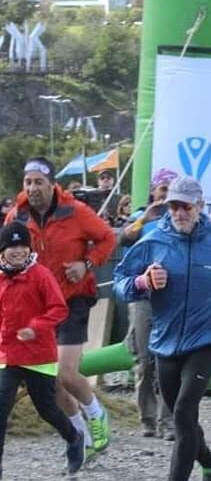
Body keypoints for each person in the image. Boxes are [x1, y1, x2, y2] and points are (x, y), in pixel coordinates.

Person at [114, 176, 211, 481]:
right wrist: (142, 282)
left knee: (185, 411)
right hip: (165, 342)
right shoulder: (153, 240)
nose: (179, 212)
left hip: (206, 339)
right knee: (183, 418)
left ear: (200, 206)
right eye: (174, 205)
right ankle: (208, 460)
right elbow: (121, 283)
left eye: (186, 205)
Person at [6, 157, 115, 456]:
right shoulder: (17, 217)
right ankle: (80, 435)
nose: (32, 188)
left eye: (38, 181)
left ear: (52, 183)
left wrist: (87, 263)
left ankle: (97, 415)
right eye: (28, 182)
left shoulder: (76, 212)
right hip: (38, 307)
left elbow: (107, 238)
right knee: (51, 384)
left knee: (66, 373)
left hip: (72, 298)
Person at [0, 222, 85, 480]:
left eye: (22, 245)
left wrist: (35, 328)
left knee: (46, 408)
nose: (17, 251)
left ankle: (73, 436)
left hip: (38, 354)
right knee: (1, 407)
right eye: (11, 246)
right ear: (2, 251)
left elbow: (59, 309)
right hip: (8, 353)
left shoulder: (41, 275)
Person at [119, 168, 178, 440]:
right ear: (154, 191)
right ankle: (147, 419)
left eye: (171, 190)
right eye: (162, 190)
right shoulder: (141, 217)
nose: (166, 195)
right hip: (142, 298)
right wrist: (146, 216)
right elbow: (123, 237)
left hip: (172, 300)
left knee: (169, 360)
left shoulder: (181, 217)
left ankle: (169, 421)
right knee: (144, 362)